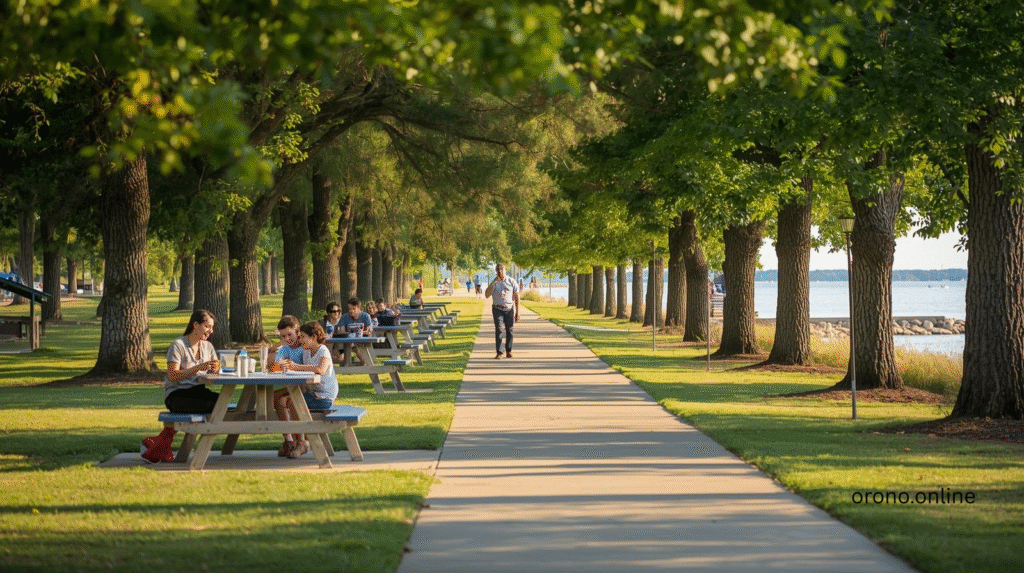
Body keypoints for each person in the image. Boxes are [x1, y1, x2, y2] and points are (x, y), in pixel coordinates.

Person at [272, 322, 338, 459]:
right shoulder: (307, 351)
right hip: (311, 391)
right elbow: (303, 369)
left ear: (313, 337)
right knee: (277, 396)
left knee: (292, 402)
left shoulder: (323, 350)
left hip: (324, 396)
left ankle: (301, 442)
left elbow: (321, 369)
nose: (300, 339)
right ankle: (288, 440)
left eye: (302, 336)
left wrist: (295, 367)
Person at [164, 309, 220, 413]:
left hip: (199, 391)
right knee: (211, 405)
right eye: (207, 326)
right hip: (177, 394)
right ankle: (172, 428)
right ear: (196, 325)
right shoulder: (178, 345)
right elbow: (172, 376)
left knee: (222, 402)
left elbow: (215, 369)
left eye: (212, 328)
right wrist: (198, 368)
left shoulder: (208, 346)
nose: (211, 331)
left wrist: (216, 369)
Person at [485, 262, 520, 359]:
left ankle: (508, 351)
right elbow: (487, 295)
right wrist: (494, 283)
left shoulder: (511, 281)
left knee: (509, 330)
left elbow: (517, 297)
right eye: (498, 270)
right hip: (497, 309)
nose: (500, 271)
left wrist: (517, 312)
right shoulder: (493, 283)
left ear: (505, 270)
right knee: (499, 330)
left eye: (502, 269)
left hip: (509, 309)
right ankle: (499, 352)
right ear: (496, 271)